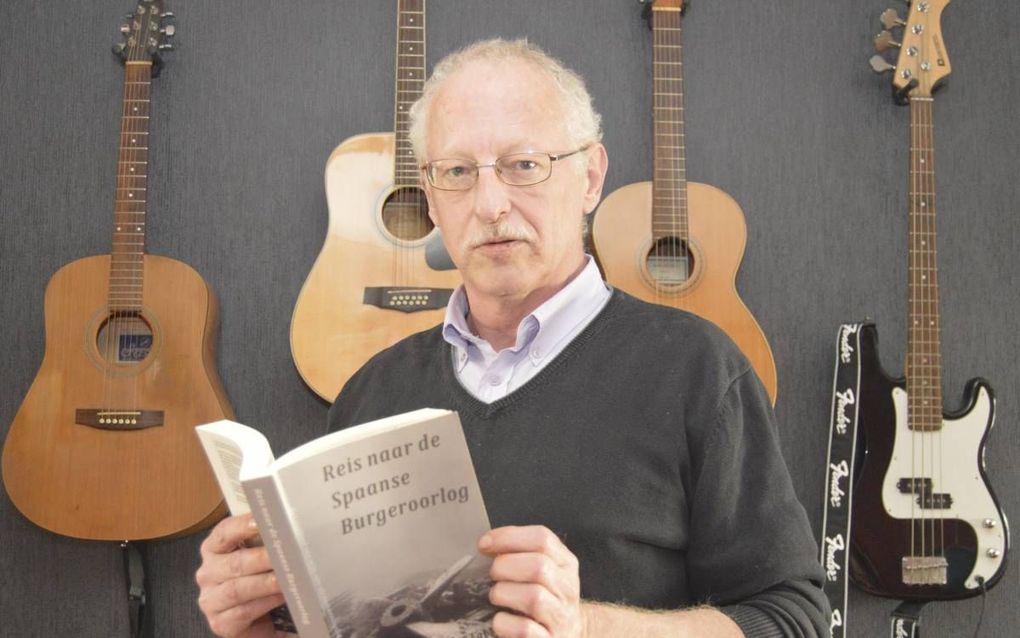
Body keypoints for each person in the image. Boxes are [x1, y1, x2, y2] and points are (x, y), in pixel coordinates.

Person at [196, 38, 829, 637]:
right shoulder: (371, 391)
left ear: (589, 178)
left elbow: (793, 619)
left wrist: (586, 625)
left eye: (524, 165)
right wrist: (263, 624)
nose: (490, 203)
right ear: (431, 197)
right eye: (458, 172)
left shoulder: (699, 369)